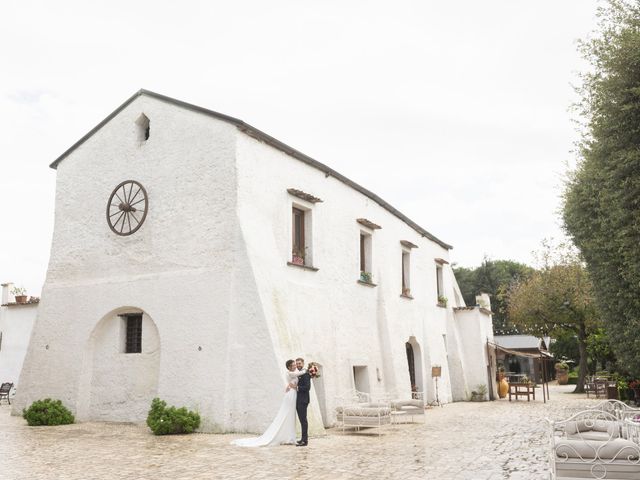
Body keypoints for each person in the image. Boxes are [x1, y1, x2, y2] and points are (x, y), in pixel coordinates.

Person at [231, 359, 306, 447]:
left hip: (293, 393)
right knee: (287, 414)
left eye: (295, 365)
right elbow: (298, 374)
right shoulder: (290, 373)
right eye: (293, 365)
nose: (295, 366)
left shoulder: (293, 372)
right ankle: (286, 437)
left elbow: (295, 379)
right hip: (291, 395)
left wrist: (291, 385)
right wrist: (306, 370)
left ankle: (289, 436)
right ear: (289, 367)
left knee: (291, 416)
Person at [295, 357, 311, 447]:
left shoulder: (306, 374)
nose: (298, 365)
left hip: (303, 400)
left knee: (303, 421)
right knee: (302, 421)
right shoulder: (299, 373)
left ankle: (305, 441)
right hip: (298, 400)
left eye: (299, 363)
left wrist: (296, 388)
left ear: (303, 363)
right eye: (297, 363)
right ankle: (302, 439)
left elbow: (307, 387)